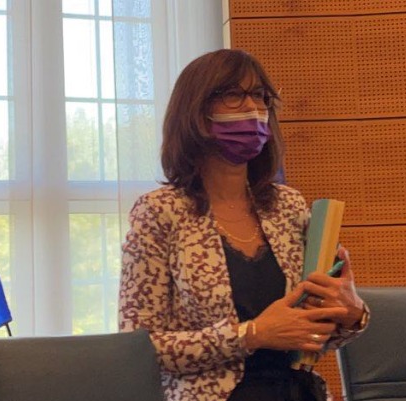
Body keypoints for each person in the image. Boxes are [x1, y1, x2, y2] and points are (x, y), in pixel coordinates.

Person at [118, 49, 370, 401]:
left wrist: (351, 312)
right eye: (234, 94)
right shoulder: (160, 212)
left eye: (260, 95)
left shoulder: (289, 206)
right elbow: (139, 350)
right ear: (196, 111)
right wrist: (252, 334)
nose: (252, 107)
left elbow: (314, 334)